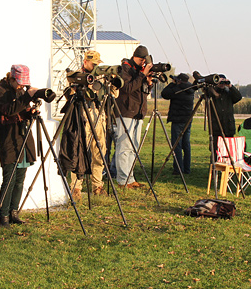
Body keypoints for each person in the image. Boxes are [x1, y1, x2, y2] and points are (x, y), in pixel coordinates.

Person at [0, 65, 37, 227]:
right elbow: (9, 110)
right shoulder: (0, 92)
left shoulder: (21, 92)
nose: (21, 86)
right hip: (8, 139)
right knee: (9, 178)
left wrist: (29, 112)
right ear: (12, 79)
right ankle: (3, 217)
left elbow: (19, 110)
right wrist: (26, 98)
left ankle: (14, 212)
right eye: (19, 83)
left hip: (22, 138)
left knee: (20, 179)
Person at [68, 50, 108, 200]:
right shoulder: (76, 76)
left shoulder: (102, 77)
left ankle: (98, 185)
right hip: (83, 116)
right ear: (85, 62)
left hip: (99, 115)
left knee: (99, 152)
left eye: (98, 64)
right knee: (79, 152)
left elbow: (114, 95)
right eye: (94, 64)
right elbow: (70, 96)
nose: (97, 67)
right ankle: (76, 187)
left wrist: (113, 82)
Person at [114, 45, 153, 188]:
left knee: (134, 148)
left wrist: (148, 83)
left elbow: (142, 91)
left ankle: (130, 178)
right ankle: (123, 180)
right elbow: (127, 88)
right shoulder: (126, 69)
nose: (143, 62)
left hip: (138, 112)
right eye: (141, 59)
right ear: (135, 56)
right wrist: (142, 75)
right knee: (124, 146)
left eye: (145, 60)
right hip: (126, 111)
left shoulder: (139, 71)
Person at [161, 73, 194, 174]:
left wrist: (172, 84)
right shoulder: (190, 89)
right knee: (186, 144)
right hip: (187, 120)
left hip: (178, 119)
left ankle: (178, 169)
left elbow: (164, 94)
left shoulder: (178, 89)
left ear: (179, 81)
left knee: (177, 145)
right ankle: (187, 168)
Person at [209, 74, 243, 155]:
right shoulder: (212, 92)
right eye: (220, 82)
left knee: (229, 151)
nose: (222, 84)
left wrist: (230, 86)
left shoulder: (229, 93)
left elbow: (238, 97)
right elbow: (208, 92)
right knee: (216, 151)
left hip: (228, 128)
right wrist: (215, 85)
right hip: (216, 128)